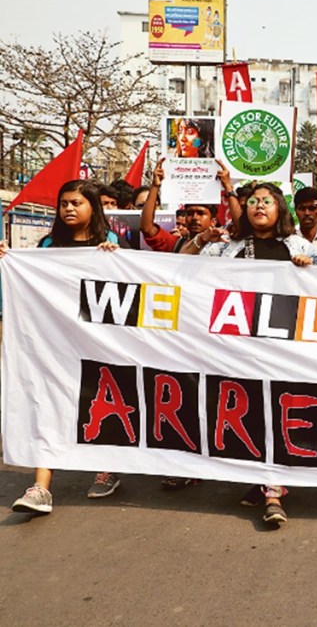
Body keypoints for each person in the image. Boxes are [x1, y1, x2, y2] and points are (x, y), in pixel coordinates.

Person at [186, 183, 317, 525]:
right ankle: (261, 478)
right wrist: (202, 240)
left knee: (277, 410)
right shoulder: (227, 248)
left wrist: (310, 272)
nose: (259, 206)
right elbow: (180, 269)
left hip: (284, 346)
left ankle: (273, 491)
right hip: (238, 346)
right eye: (254, 202)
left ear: (280, 209)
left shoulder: (300, 246)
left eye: (267, 201)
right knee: (249, 412)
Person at [8, 180, 125, 515]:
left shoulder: (111, 244)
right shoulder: (47, 245)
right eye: (64, 204)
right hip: (53, 343)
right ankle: (41, 487)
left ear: (93, 208)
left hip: (98, 343)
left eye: (77, 203)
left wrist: (116, 260)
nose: (69, 209)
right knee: (48, 405)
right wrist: (10, 260)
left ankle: (107, 467)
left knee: (97, 403)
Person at [140, 158, 224, 253]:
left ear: (213, 221)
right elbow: (146, 228)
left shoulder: (224, 247)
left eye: (201, 213)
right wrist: (155, 186)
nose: (195, 218)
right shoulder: (175, 244)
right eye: (190, 213)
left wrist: (228, 188)